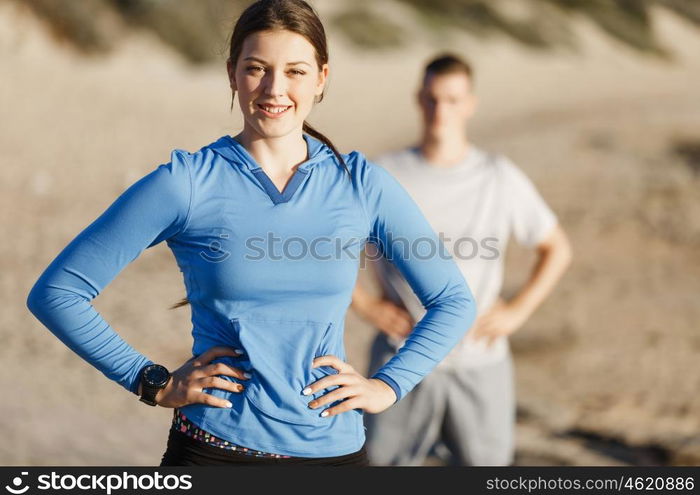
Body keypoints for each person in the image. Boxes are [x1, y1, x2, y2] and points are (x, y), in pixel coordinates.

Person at [25, 0, 477, 466]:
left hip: (334, 454)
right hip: (212, 451)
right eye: (256, 68)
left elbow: (453, 302)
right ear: (232, 74)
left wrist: (387, 385)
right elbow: (58, 293)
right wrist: (151, 382)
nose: (274, 88)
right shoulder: (187, 182)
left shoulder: (361, 184)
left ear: (322, 78)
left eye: (296, 71)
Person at [351, 53, 573, 466]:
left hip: (480, 357)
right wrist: (366, 305)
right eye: (433, 98)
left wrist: (516, 313)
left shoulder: (498, 176)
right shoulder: (384, 173)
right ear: (419, 99)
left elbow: (556, 248)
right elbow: (330, 247)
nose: (441, 110)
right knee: (378, 466)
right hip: (401, 355)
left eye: (453, 100)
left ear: (470, 104)